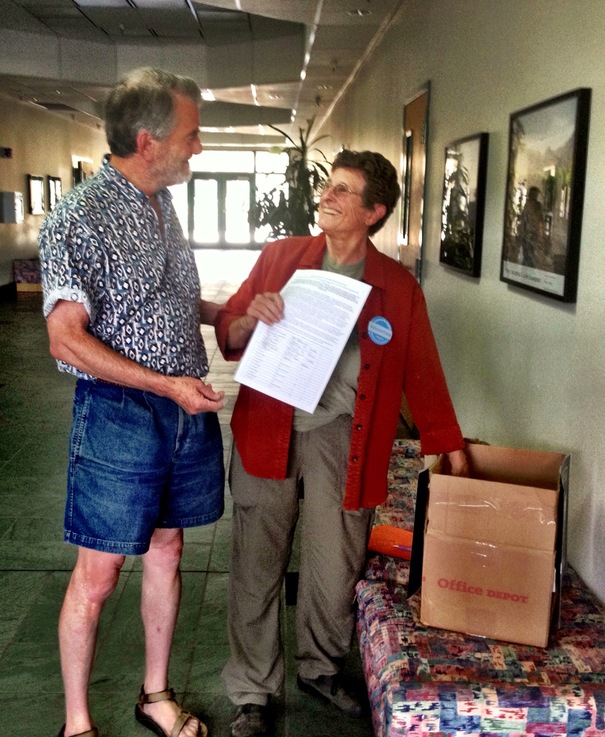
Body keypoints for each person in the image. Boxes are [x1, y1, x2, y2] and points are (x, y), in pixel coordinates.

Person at [215, 149, 469, 737]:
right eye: (328, 186)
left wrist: (447, 442)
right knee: (256, 564)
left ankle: (320, 668)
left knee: (336, 564)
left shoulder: (396, 287)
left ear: (374, 211)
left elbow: (421, 369)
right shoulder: (281, 258)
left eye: (343, 190)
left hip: (345, 437)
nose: (326, 196)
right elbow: (229, 329)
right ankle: (253, 690)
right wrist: (252, 317)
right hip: (270, 425)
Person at [38, 67, 225, 737]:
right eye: (191, 135)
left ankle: (154, 694)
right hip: (120, 414)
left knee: (168, 550)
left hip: (184, 410)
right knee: (99, 573)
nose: (197, 147)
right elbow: (65, 338)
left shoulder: (163, 204)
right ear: (148, 141)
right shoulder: (79, 217)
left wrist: (223, 310)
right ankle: (77, 723)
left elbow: (164, 301)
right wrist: (163, 384)